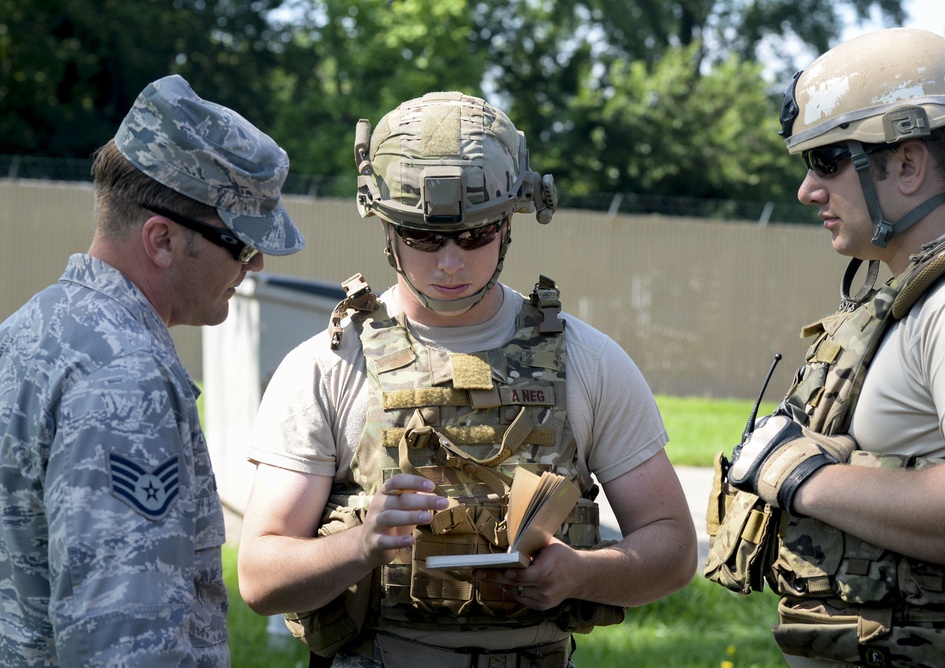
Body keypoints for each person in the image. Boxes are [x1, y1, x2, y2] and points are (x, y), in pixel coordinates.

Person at [237, 91, 698, 667]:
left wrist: (582, 573)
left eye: (475, 235)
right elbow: (259, 577)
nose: (450, 262)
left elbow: (673, 549)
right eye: (424, 238)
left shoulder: (587, 360)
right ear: (384, 226)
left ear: (510, 224)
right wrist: (361, 545)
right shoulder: (329, 364)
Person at [0, 74, 305, 666]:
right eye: (239, 244)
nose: (257, 265)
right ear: (161, 240)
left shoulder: (30, 329)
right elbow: (124, 644)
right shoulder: (126, 379)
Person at [723, 28, 945, 667]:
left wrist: (806, 479)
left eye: (827, 162)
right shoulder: (923, 292)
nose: (808, 190)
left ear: (907, 163)